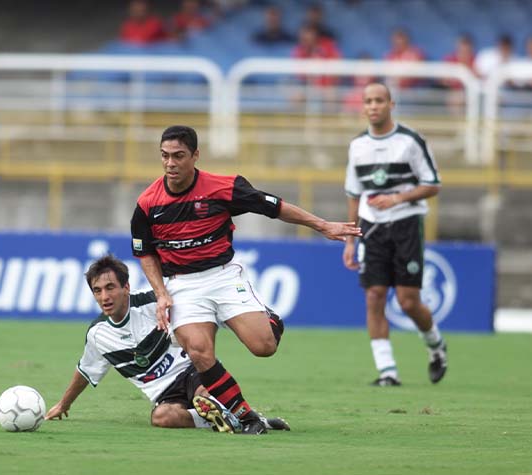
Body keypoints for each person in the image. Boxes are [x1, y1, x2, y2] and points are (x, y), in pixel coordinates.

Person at [131, 125, 361, 434]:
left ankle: (269, 320)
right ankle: (246, 417)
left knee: (263, 346)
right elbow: (145, 253)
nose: (171, 164)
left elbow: (274, 207)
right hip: (182, 284)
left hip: (223, 277)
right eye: (165, 156)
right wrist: (161, 293)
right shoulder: (147, 204)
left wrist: (322, 226)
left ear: (195, 156)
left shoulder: (223, 187)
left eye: (179, 156)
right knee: (199, 351)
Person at [45, 255, 290, 433]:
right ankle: (239, 419)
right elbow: (85, 372)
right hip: (164, 392)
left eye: (110, 288)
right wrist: (62, 405)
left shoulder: (155, 303)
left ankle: (235, 415)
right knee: (162, 417)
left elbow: (208, 314)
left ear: (126, 287)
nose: (104, 297)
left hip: (192, 370)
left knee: (206, 395)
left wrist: (254, 320)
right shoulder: (98, 334)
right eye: (97, 291)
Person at [342, 83, 448, 387]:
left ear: (391, 103)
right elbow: (353, 194)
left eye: (379, 100)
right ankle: (387, 371)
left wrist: (397, 199)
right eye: (368, 101)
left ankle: (436, 346)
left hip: (405, 223)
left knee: (408, 301)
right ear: (362, 107)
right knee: (374, 295)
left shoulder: (410, 141)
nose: (373, 106)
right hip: (372, 226)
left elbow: (433, 184)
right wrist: (350, 238)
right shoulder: (357, 146)